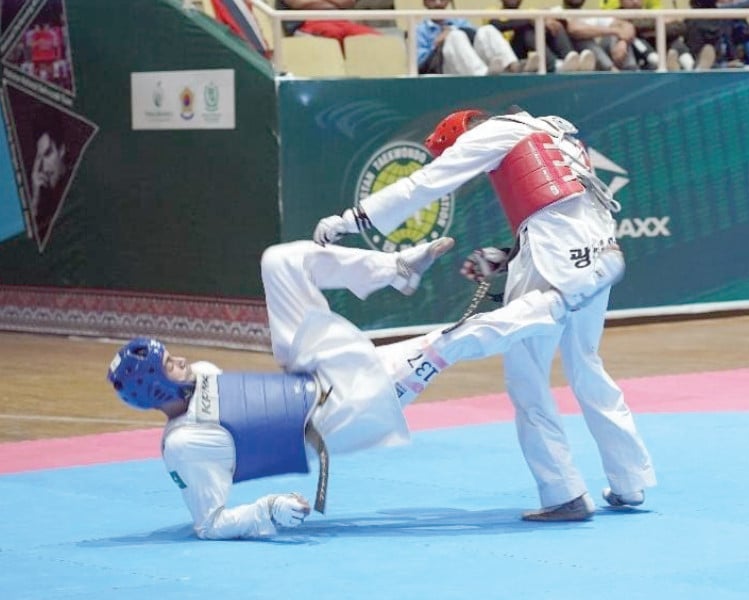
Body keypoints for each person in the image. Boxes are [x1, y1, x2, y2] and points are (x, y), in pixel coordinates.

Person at [108, 234, 625, 538]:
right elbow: (210, 523)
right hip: (338, 420)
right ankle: (555, 305)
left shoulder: (198, 374)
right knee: (452, 341)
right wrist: (265, 511)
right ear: (155, 389)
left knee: (280, 262)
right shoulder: (186, 446)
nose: (177, 358)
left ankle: (395, 268)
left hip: (313, 376)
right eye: (166, 362)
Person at [313, 107, 656, 520]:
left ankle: (563, 491)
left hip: (554, 260)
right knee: (586, 366)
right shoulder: (550, 127)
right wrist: (510, 256)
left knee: (527, 376)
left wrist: (352, 220)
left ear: (460, 137)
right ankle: (629, 480)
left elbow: (426, 184)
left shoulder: (491, 133)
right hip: (598, 251)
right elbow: (566, 208)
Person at [417, 0, 537, 75]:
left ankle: (513, 67)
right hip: (443, 68)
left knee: (487, 30)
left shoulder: (459, 22)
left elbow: (479, 39)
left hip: (466, 67)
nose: (438, 3)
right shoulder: (419, 29)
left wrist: (452, 29)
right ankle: (483, 75)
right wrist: (438, 43)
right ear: (425, 2)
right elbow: (420, 64)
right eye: (432, 0)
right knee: (455, 36)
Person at [486, 0, 597, 72]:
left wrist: (548, 20)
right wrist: (532, 20)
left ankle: (572, 60)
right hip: (510, 56)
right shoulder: (491, 11)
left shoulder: (530, 11)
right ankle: (555, 65)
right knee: (526, 30)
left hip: (529, 55)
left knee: (556, 24)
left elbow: (560, 22)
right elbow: (498, 25)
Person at [552, 0, 639, 71]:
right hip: (573, 59)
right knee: (584, 38)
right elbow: (574, 30)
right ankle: (612, 71)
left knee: (617, 37)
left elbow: (628, 26)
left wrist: (622, 42)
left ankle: (632, 71)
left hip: (600, 60)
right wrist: (615, 31)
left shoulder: (591, 14)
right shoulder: (555, 11)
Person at [276, 0, 381, 49]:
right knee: (332, 33)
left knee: (372, 38)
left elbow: (347, 1)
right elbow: (299, 2)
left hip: (342, 20)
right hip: (308, 20)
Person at [29, 123, 68, 247]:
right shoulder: (46, 197)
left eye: (48, 153)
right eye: (39, 158)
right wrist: (35, 199)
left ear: (61, 150)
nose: (43, 167)